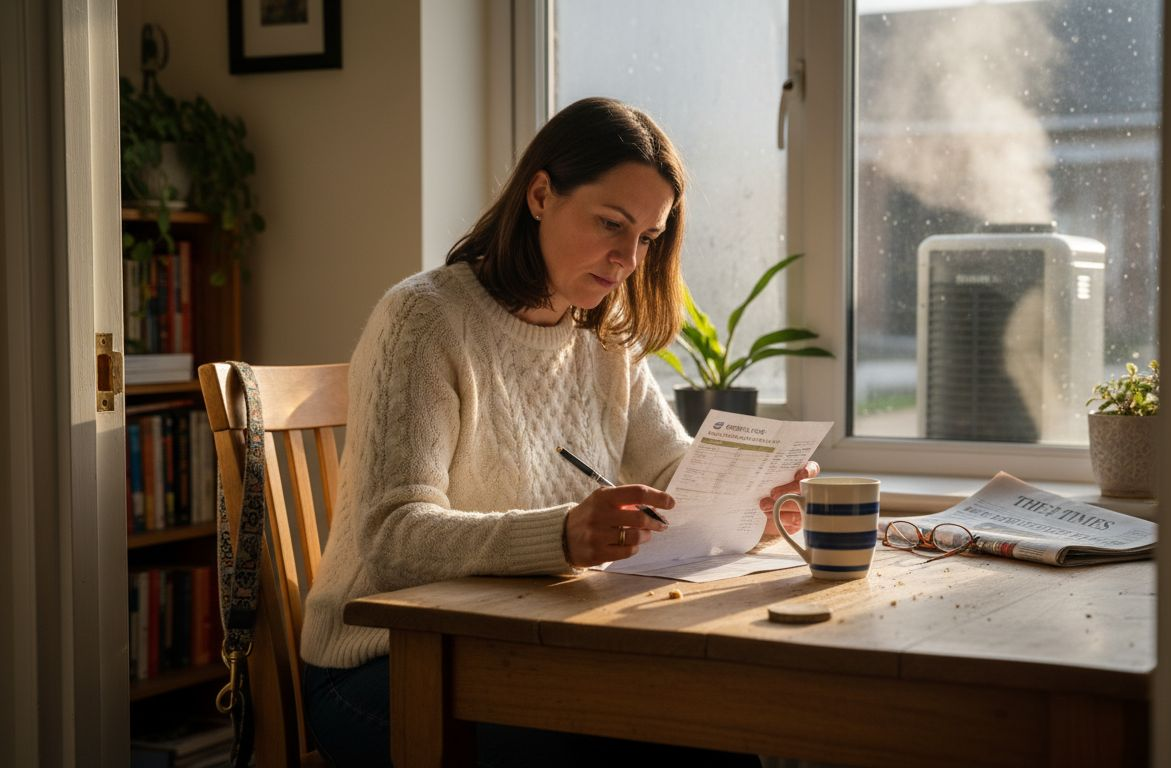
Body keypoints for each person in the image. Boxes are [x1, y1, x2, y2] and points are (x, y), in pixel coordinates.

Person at [300, 97, 818, 767]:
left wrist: (751, 496)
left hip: (527, 647)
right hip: (384, 667)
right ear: (540, 194)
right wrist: (564, 534)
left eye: (648, 238)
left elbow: (669, 475)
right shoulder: (424, 320)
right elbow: (393, 536)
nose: (629, 258)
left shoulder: (603, 336)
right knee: (654, 741)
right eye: (611, 223)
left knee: (714, 733)